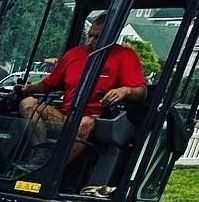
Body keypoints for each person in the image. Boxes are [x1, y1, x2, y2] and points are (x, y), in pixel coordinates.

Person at [17, 11, 148, 153]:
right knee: (28, 104)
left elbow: (142, 93)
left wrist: (125, 91)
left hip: (96, 121)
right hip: (65, 117)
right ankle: (39, 155)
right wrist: (27, 89)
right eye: (90, 35)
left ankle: (55, 167)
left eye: (97, 38)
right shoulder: (73, 54)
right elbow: (48, 84)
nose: (90, 41)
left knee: (85, 123)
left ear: (112, 36)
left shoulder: (124, 56)